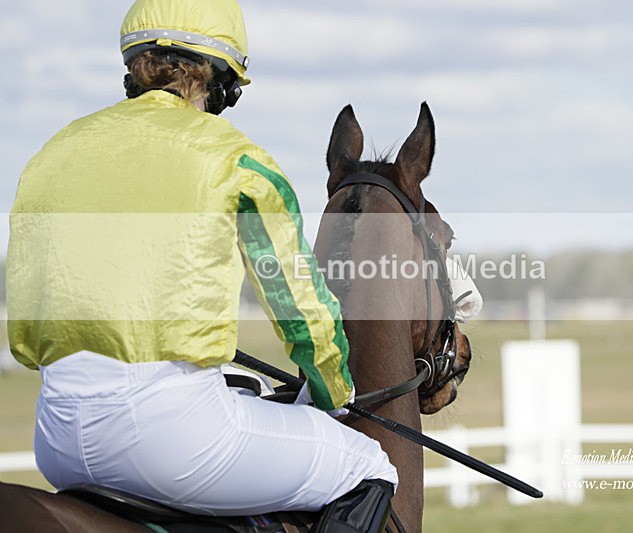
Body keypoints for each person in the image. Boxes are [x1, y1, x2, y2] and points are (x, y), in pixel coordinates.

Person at [6, 0, 397, 529]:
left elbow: (28, 326)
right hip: (170, 438)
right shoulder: (234, 156)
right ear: (221, 81)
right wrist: (333, 392)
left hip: (56, 437)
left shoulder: (53, 152)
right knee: (368, 464)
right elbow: (297, 305)